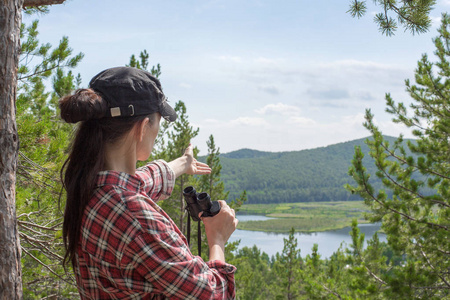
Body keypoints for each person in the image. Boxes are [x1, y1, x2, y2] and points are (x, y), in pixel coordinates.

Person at [59, 66, 238, 299]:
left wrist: (183, 163)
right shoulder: (136, 219)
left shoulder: (90, 187)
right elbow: (213, 293)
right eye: (158, 123)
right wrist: (218, 239)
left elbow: (142, 181)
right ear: (143, 128)